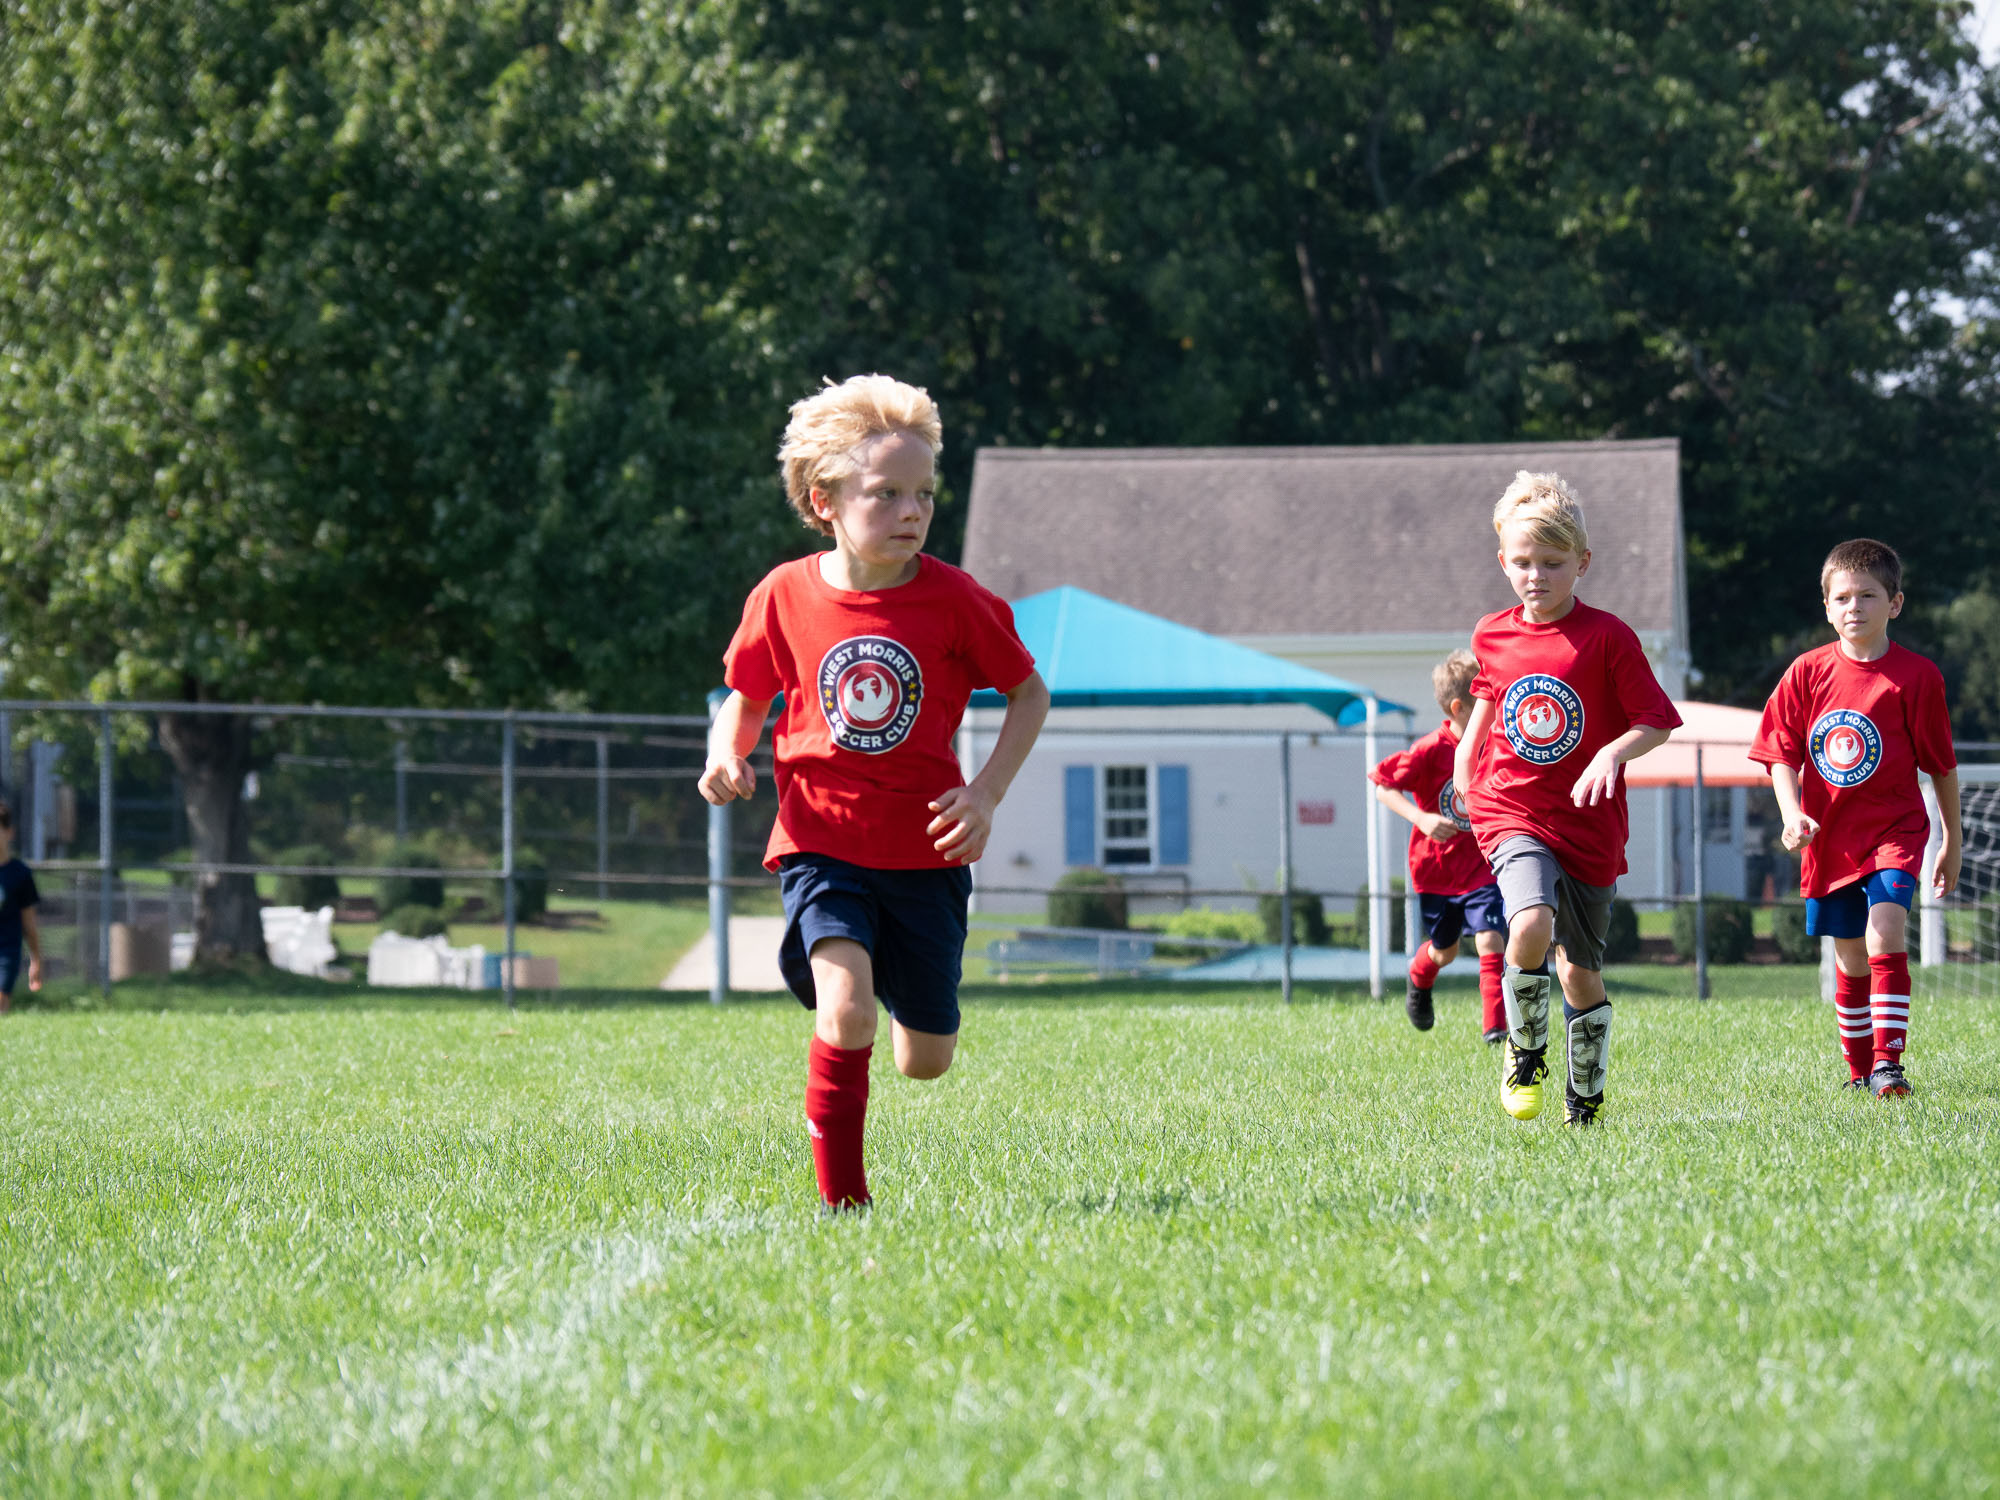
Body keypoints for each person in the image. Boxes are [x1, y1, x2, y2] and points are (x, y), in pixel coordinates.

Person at [701, 374, 1050, 1211]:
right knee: (847, 1011)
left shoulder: (957, 600)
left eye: (924, 493)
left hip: (925, 852)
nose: (912, 510)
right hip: (821, 843)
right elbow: (745, 698)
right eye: (886, 493)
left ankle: (895, 981)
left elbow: (1029, 693)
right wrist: (725, 754)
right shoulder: (783, 594)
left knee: (925, 1061)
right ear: (824, 501)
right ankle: (844, 1206)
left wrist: (985, 796)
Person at [1452, 472, 1680, 1124]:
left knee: (1579, 973)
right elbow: (1488, 696)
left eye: (1552, 563)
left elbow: (1656, 722)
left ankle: (1585, 1100)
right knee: (1528, 922)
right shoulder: (1491, 633)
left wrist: (1612, 753)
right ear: (1503, 561)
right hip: (1512, 808)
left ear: (1582, 563)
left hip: (1588, 825)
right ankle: (1524, 1052)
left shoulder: (1607, 637)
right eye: (1523, 563)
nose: (1537, 576)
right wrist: (1466, 757)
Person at [1748, 539, 1959, 1098]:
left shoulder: (1917, 677)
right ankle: (1859, 1071)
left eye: (1868, 595)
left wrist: (1952, 841)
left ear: (1895, 603)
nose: (1854, 607)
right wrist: (1792, 813)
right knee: (1850, 955)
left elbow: (1941, 767)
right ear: (1826, 607)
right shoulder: (1807, 672)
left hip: (1895, 833)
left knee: (1884, 930)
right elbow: (1779, 754)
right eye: (1842, 597)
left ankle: (1889, 1064)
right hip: (1831, 842)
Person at [1368, 650, 1508, 1041]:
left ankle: (1495, 1028)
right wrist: (1421, 818)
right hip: (1437, 872)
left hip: (1481, 868)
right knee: (1445, 951)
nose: (1493, 711)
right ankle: (1419, 975)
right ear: (1460, 708)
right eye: (1485, 703)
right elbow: (1383, 786)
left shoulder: (1495, 746)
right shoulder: (1430, 750)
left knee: (1490, 938)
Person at [0, 804, 44, 1013]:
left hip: (7, 951)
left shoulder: (20, 874)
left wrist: (35, 959)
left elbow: (29, 923)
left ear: (9, 832)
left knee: (1, 1001)